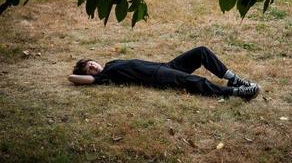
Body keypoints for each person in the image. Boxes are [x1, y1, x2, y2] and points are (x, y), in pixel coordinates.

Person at [68, 46, 260, 101]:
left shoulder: (111, 64)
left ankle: (234, 80)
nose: (93, 67)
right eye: (89, 69)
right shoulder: (104, 77)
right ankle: (236, 93)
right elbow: (74, 78)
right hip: (158, 77)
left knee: (201, 52)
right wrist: (79, 74)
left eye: (91, 63)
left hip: (166, 66)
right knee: (195, 81)